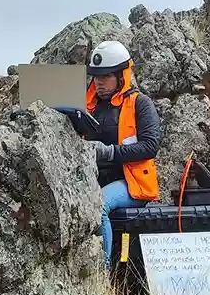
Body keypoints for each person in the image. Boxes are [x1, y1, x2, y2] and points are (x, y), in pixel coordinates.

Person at [59, 40, 162, 269]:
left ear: (121, 75)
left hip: (132, 183)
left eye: (105, 77)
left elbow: (150, 146)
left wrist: (109, 152)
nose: (98, 82)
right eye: (96, 77)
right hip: (95, 178)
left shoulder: (140, 104)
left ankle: (102, 274)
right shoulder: (87, 105)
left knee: (99, 204)